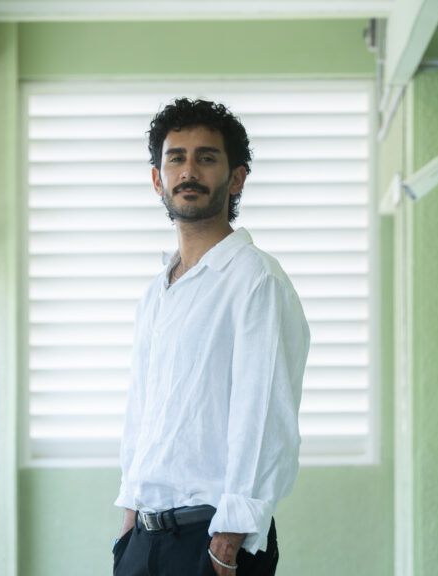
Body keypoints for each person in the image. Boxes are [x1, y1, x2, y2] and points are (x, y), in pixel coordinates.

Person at [112, 98, 310, 576]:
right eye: (176, 157)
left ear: (236, 178)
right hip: (144, 540)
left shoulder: (255, 280)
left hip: (213, 542)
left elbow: (264, 418)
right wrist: (129, 523)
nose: (189, 170)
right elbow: (142, 412)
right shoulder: (157, 293)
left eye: (206, 157)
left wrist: (228, 542)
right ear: (158, 179)